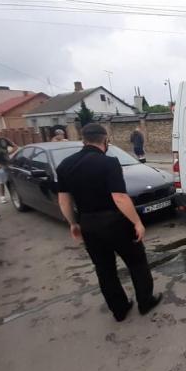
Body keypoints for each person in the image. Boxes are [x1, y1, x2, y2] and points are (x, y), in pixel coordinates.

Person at [56, 124, 162, 322]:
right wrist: (137, 222)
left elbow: (64, 201)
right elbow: (120, 197)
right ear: (105, 140)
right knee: (137, 262)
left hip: (88, 223)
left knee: (104, 270)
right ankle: (145, 301)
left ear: (84, 140)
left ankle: (119, 310)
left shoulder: (65, 166)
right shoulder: (109, 163)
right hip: (115, 222)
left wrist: (73, 224)